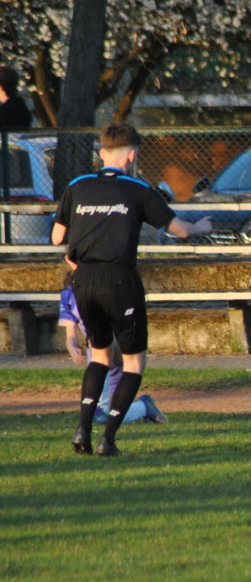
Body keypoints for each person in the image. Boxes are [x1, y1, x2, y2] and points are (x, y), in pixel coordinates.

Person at [50, 121, 212, 456]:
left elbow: (56, 237)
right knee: (134, 363)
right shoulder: (138, 189)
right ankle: (108, 439)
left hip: (84, 281)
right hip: (120, 280)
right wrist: (200, 227)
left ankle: (82, 430)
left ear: (102, 153)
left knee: (99, 355)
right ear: (132, 155)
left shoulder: (78, 185)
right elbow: (180, 231)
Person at [59, 265, 166, 426]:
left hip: (115, 347)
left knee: (97, 341)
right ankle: (144, 407)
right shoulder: (69, 293)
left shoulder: (106, 284)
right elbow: (71, 334)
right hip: (98, 352)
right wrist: (72, 347)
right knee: (111, 413)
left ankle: (104, 409)